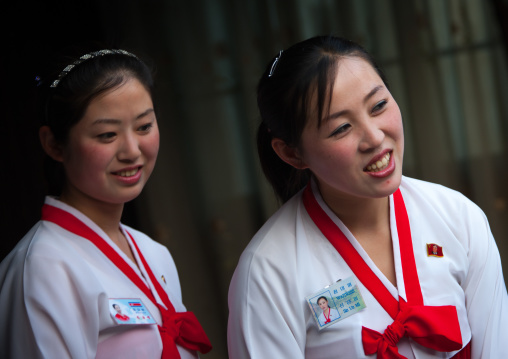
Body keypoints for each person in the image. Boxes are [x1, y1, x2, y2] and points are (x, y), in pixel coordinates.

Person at [227, 35, 508, 358]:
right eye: (342, 128)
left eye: (378, 106)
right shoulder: (266, 271)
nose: (375, 138)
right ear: (292, 153)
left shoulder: (458, 218)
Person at [0, 47, 212, 359]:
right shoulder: (43, 268)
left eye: (143, 127)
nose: (131, 150)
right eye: (107, 134)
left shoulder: (154, 253)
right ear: (54, 144)